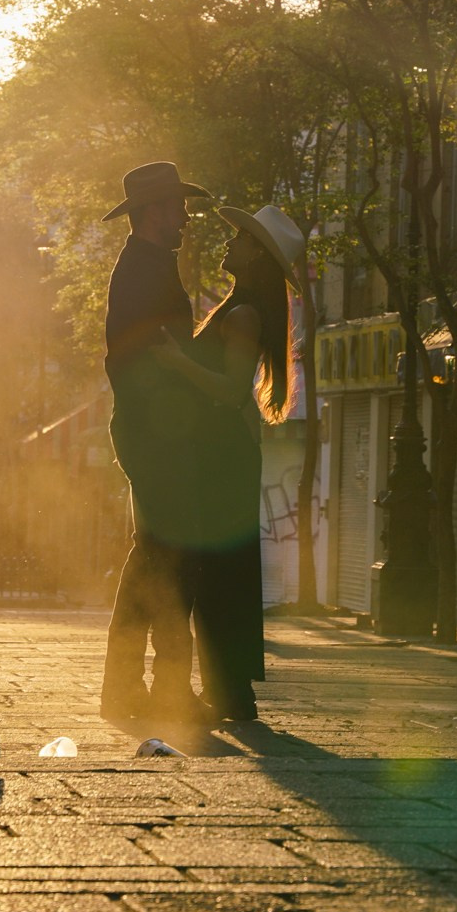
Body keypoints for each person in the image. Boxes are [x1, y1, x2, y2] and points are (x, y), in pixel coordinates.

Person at [151, 203, 303, 722]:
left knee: (218, 572)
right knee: (220, 571)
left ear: (256, 253)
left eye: (239, 238)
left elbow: (230, 388)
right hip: (219, 453)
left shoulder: (242, 315)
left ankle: (233, 691)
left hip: (223, 458)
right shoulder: (237, 307)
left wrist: (174, 362)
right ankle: (231, 690)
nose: (228, 243)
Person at [99, 162, 216, 720]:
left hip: (156, 428)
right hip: (155, 431)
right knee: (166, 560)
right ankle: (158, 689)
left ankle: (132, 687)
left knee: (154, 558)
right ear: (152, 213)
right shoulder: (144, 270)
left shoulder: (150, 265)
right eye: (176, 208)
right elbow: (130, 359)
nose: (185, 219)